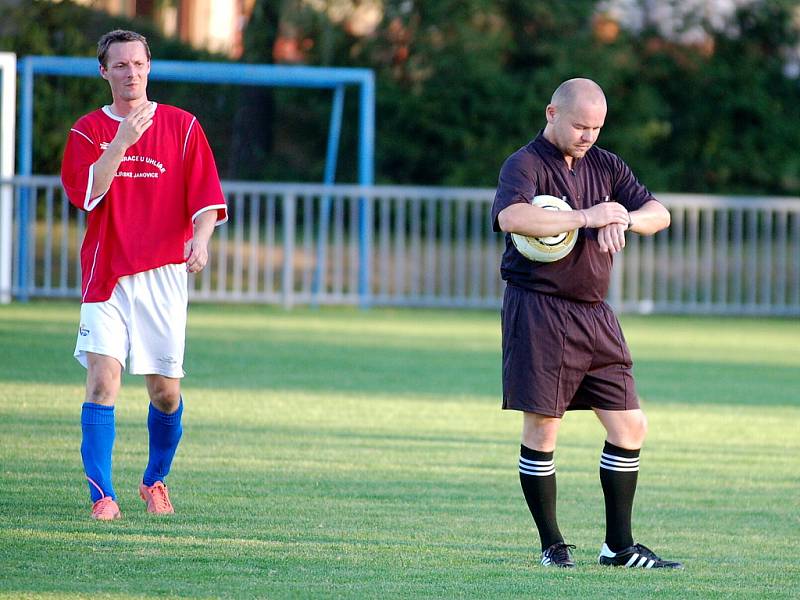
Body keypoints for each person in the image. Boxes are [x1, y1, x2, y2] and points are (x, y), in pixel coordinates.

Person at [491, 78, 681, 569]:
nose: (588, 136)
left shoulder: (605, 163)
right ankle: (552, 546)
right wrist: (588, 217)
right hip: (539, 309)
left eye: (596, 127)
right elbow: (512, 218)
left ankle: (618, 547)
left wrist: (624, 219)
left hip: (595, 312)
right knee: (543, 429)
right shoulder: (525, 164)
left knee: (629, 425)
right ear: (552, 112)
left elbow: (658, 213)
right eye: (580, 125)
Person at [61, 30, 228, 520]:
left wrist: (201, 240)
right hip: (106, 275)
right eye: (120, 65)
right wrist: (121, 141)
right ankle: (103, 497)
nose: (130, 73)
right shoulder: (88, 131)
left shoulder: (182, 126)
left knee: (165, 392)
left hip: (162, 277)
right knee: (101, 383)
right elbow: (85, 194)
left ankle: (155, 481)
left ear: (148, 67)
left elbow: (206, 200)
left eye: (137, 64)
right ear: (104, 72)